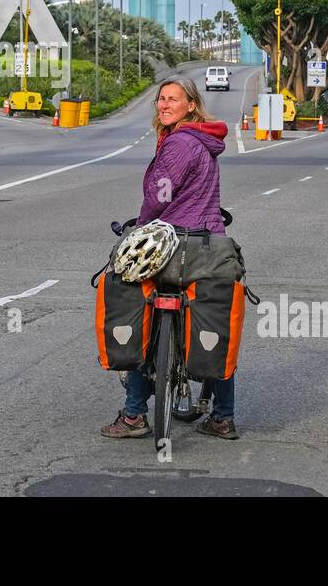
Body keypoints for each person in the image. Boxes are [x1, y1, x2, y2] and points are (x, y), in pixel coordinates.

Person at [101, 76, 238, 441]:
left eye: (173, 99)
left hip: (173, 244)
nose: (164, 105)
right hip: (209, 244)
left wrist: (142, 225)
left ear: (191, 105)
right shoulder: (204, 140)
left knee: (141, 311)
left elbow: (160, 196)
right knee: (213, 324)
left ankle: (134, 414)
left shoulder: (179, 142)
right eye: (161, 99)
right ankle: (223, 417)